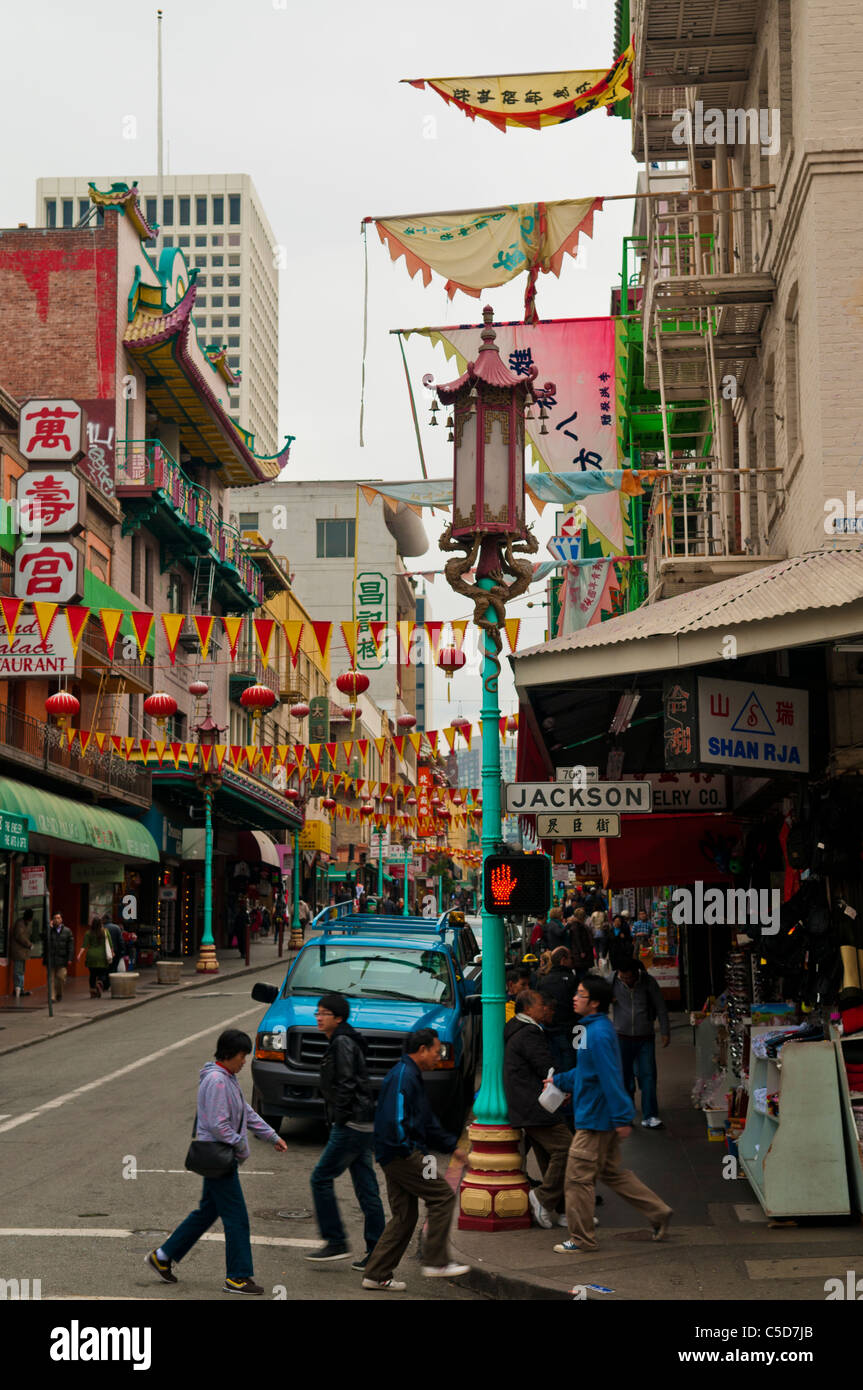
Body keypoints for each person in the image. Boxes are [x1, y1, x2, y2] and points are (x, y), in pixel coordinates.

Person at [147, 1028, 288, 1294]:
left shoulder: (227, 1078)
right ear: (228, 1054)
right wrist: (240, 1143)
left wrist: (271, 1135)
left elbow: (246, 1111)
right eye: (242, 1056)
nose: (244, 1061)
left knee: (207, 1212)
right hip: (219, 1157)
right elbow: (217, 1124)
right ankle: (237, 1276)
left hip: (219, 1156)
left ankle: (163, 1256)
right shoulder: (218, 1081)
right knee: (237, 1218)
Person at [547, 975, 672, 1254]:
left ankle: (581, 1239)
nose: (574, 998)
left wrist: (621, 1117)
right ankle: (658, 1212)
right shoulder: (595, 1029)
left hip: (595, 1120)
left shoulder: (597, 1033)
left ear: (594, 1003)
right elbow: (589, 1072)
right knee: (610, 1173)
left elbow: (611, 1076)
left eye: (580, 994)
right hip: (601, 1116)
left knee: (577, 1180)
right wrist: (560, 1082)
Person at [361, 1029, 469, 1291]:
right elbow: (394, 1119)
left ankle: (376, 1274)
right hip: (402, 1155)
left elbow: (426, 1120)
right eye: (436, 1050)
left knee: (404, 1217)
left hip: (399, 1153)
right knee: (442, 1195)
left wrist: (451, 1146)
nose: (438, 1055)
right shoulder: (403, 1075)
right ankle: (436, 1260)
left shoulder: (410, 1074)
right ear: (422, 1050)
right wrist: (409, 1151)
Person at [306, 993, 386, 1269]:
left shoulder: (341, 1042)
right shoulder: (344, 1039)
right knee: (366, 1187)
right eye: (317, 1012)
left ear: (338, 1018)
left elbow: (347, 1083)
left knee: (320, 1178)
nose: (318, 1017)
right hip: (362, 1122)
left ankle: (336, 1240)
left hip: (352, 1123)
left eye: (323, 1013)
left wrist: (339, 1117)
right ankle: (378, 1250)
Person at [504, 990, 572, 1230]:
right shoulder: (530, 1033)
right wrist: (565, 1086)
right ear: (529, 1009)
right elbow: (546, 1067)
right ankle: (542, 1198)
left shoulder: (517, 1029)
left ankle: (563, 1211)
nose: (545, 1008)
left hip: (527, 1104)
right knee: (566, 1150)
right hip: (536, 1105)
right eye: (542, 1004)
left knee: (548, 1156)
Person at [612, 957, 670, 1129]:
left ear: (636, 973)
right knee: (625, 1079)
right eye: (623, 977)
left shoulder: (648, 981)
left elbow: (660, 1006)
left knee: (648, 1076)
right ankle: (627, 1115)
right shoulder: (612, 980)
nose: (626, 980)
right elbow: (598, 998)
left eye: (629, 977)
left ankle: (650, 1115)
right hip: (621, 1037)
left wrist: (665, 1031)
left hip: (645, 1037)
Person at [537, 947, 579, 1071]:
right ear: (563, 960)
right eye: (570, 958)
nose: (573, 960)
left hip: (549, 1031)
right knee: (571, 1064)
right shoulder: (573, 980)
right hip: (570, 1031)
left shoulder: (543, 981)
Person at [42, 912, 75, 1002]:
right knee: (51, 979)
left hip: (62, 959)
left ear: (61, 920)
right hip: (51, 959)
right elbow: (43, 938)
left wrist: (70, 958)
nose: (57, 920)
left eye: (58, 918)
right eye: (55, 918)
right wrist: (49, 928)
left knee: (61, 978)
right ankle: (52, 997)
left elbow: (71, 946)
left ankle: (59, 993)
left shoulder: (67, 931)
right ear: (52, 920)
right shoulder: (49, 930)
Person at [79, 917, 112, 997]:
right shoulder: (105, 932)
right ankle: (100, 983)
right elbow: (110, 944)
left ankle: (93, 992)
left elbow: (84, 945)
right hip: (102, 956)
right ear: (100, 924)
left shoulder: (88, 933)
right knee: (103, 972)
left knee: (92, 974)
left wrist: (79, 954)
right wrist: (112, 953)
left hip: (91, 956)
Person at [11, 907, 33, 997]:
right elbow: (20, 936)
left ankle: (21, 988)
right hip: (18, 952)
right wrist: (29, 944)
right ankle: (18, 989)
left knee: (21, 970)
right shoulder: (20, 924)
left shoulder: (24, 923)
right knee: (18, 970)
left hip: (22, 952)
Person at [567, 909, 595, 979]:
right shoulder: (576, 926)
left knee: (582, 972)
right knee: (582, 973)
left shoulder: (576, 925)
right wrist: (581, 951)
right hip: (580, 954)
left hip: (579, 953)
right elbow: (577, 940)